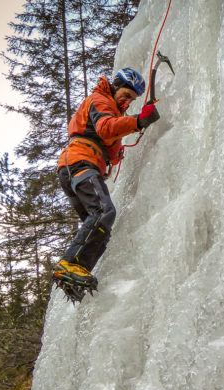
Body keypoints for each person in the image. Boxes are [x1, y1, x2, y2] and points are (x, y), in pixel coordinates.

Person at [52, 67, 160, 291]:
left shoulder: (112, 108)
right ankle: (70, 264)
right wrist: (138, 121)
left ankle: (75, 275)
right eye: (127, 95)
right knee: (104, 212)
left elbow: (109, 141)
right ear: (116, 86)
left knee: (99, 227)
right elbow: (105, 128)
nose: (128, 101)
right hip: (80, 162)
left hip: (75, 166)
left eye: (132, 99)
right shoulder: (101, 100)